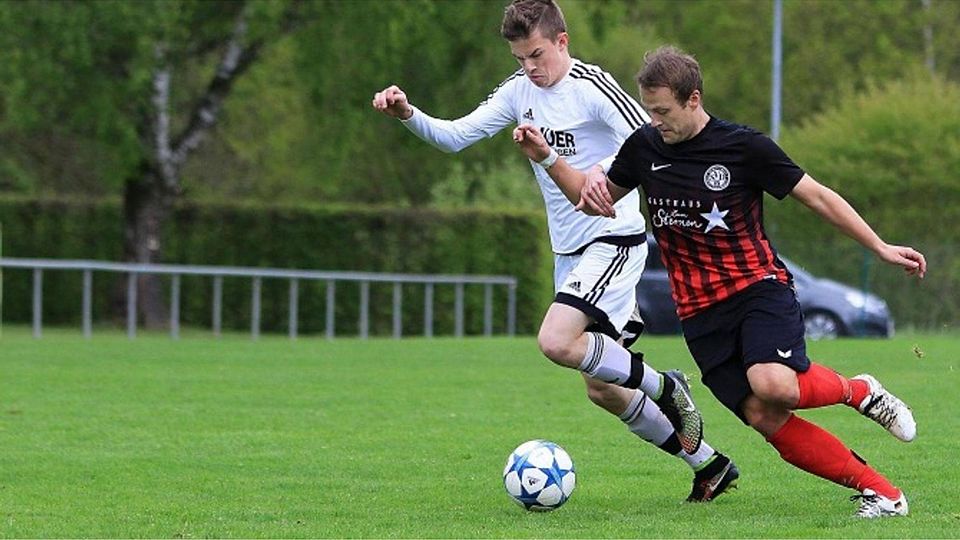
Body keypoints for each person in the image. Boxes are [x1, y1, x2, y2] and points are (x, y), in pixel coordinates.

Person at [512, 45, 925, 518]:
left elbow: (818, 197)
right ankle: (884, 494)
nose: (655, 120)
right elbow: (590, 200)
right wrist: (547, 158)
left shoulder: (743, 147)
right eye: (649, 110)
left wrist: (879, 247)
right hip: (699, 312)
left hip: (756, 288)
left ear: (694, 99)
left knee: (774, 385)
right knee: (763, 416)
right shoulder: (644, 148)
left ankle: (859, 391)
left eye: (663, 110)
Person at [372, 1, 739, 502]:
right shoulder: (518, 92)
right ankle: (709, 465)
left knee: (554, 340)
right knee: (602, 387)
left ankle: (667, 388)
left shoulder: (591, 88)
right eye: (520, 57)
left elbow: (648, 140)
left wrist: (600, 174)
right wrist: (408, 114)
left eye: (537, 54)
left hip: (613, 239)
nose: (529, 67)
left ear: (562, 43)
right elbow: (456, 137)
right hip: (568, 251)